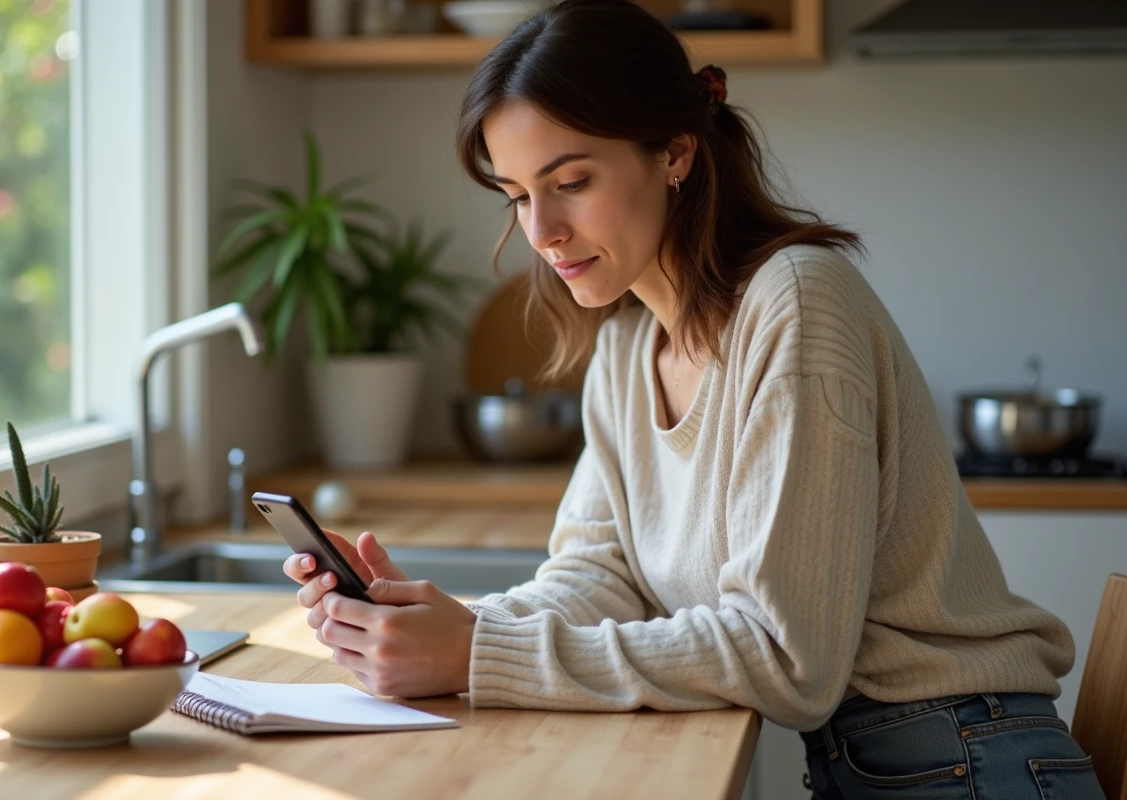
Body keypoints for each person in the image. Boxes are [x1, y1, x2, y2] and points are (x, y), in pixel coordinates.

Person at [283, 0, 1103, 796]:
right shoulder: (627, 346)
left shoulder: (797, 304)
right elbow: (598, 577)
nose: (541, 232)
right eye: (518, 196)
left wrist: (473, 654)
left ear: (674, 154)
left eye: (570, 181)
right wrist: (441, 625)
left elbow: (789, 661)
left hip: (972, 760)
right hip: (885, 765)